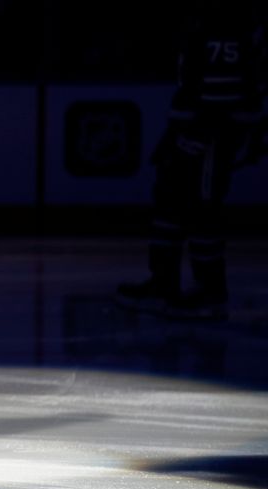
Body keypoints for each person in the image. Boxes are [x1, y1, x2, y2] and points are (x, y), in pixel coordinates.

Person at [115, 1, 267, 320]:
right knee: (169, 200)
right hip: (192, 129)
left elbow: (229, 92)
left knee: (202, 207)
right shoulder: (206, 27)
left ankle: (210, 288)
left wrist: (211, 132)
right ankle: (163, 281)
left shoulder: (228, 28)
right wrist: (175, 133)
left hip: (211, 133)